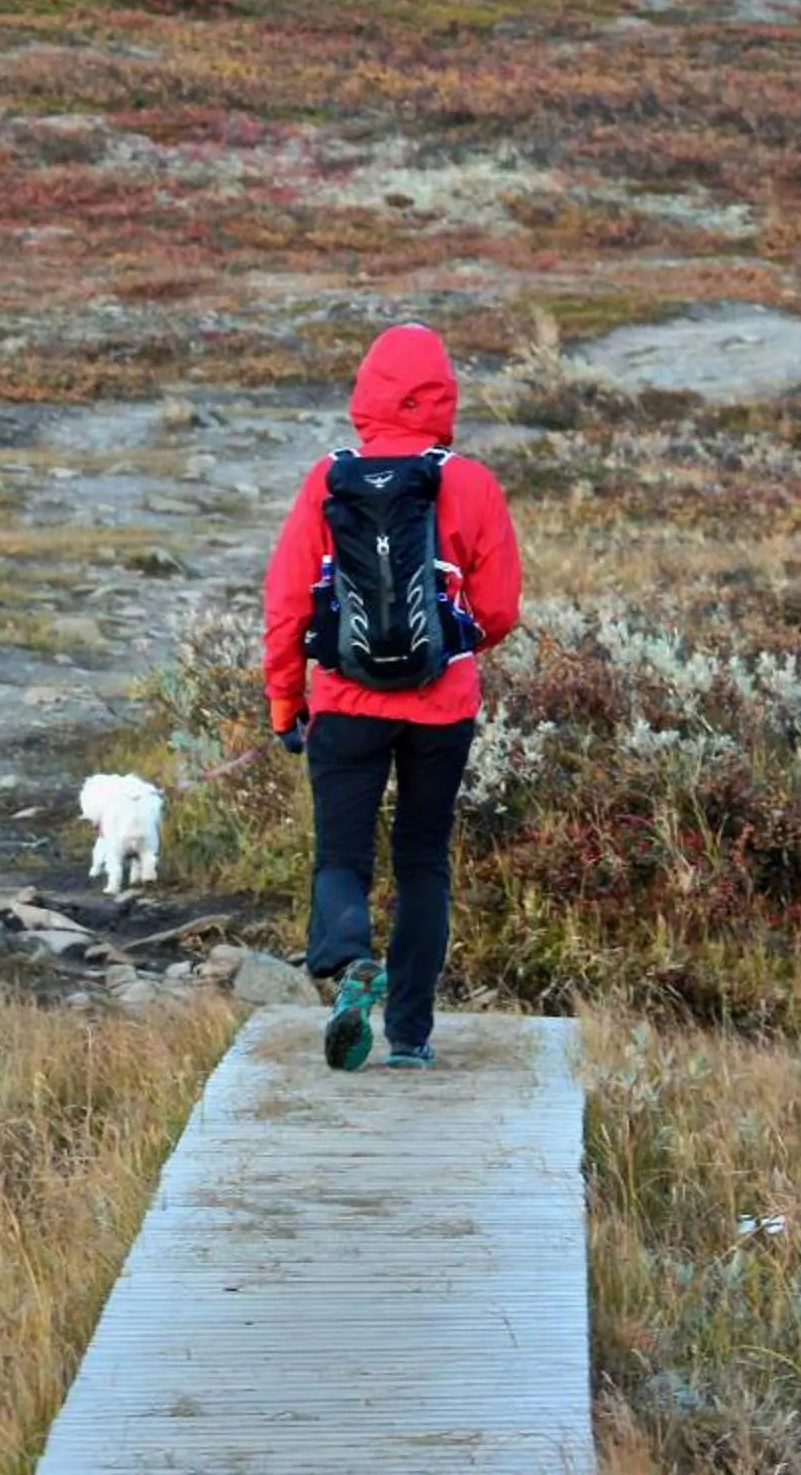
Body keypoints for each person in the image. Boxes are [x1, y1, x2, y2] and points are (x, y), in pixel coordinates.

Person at [261, 323, 522, 1071]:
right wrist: (448, 653)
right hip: (443, 708)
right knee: (422, 861)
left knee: (342, 855)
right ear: (444, 395)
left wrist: (287, 702)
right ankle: (410, 1035)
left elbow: (286, 605)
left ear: (365, 390)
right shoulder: (469, 482)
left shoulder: (327, 479)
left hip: (344, 703)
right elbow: (499, 606)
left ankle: (350, 969)